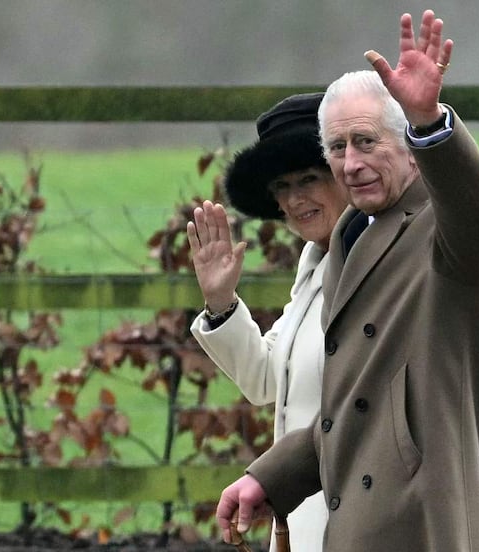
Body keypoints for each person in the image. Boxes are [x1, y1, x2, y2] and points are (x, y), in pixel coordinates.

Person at [215, 9, 479, 551]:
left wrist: (430, 124)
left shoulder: (447, 230)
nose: (350, 163)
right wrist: (271, 477)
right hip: (352, 530)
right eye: (337, 148)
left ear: (408, 147)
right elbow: (356, 407)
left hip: (427, 529)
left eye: (367, 142)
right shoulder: (349, 236)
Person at [186, 92, 349, 552]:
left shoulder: (375, 260)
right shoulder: (315, 263)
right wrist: (220, 301)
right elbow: (266, 380)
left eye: (308, 179)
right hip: (303, 515)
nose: (294, 199)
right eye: (282, 187)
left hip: (358, 515)